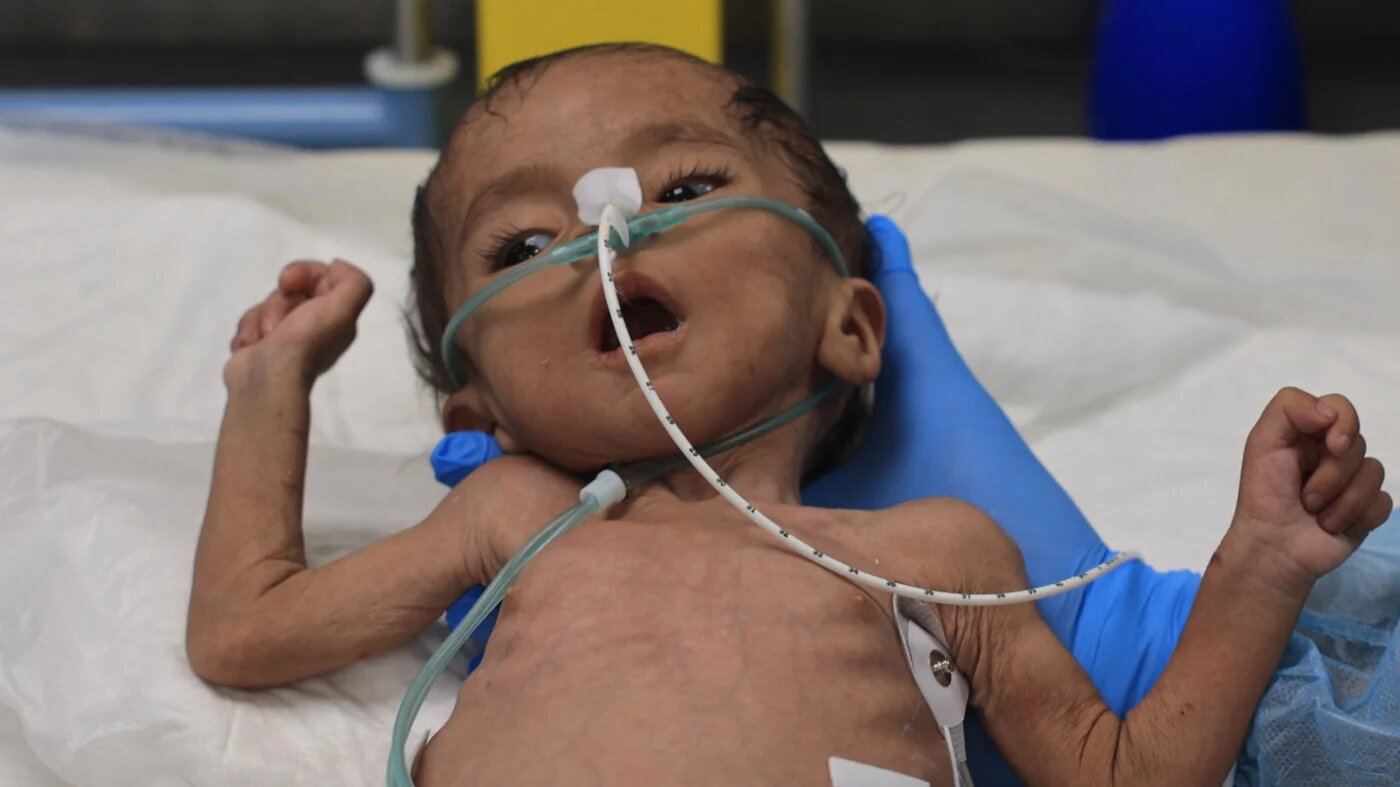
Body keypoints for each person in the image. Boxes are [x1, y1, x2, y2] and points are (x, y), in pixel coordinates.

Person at [185, 44, 1392, 785]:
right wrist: (272, 385)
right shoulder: (518, 518)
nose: (611, 230)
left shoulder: (936, 552)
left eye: (690, 186)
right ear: (482, 408)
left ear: (851, 327)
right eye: (525, 241)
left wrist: (1262, 562)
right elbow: (245, 630)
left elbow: (1131, 775)